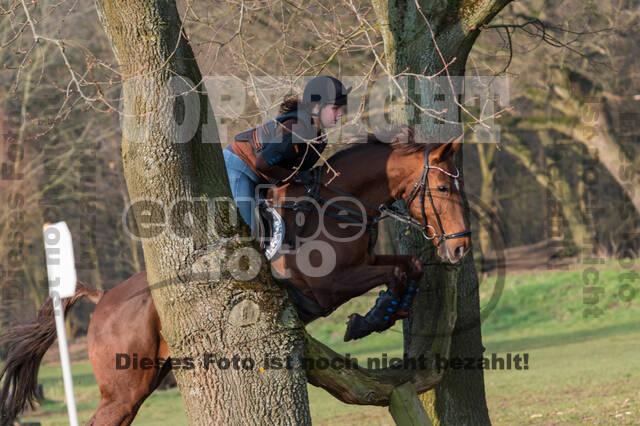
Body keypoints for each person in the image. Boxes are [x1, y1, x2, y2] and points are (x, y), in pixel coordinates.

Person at [223, 76, 351, 232]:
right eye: (335, 108)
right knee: (246, 232)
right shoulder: (295, 129)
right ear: (317, 107)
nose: (340, 114)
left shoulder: (319, 139)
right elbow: (262, 164)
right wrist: (295, 177)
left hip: (264, 176)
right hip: (240, 167)